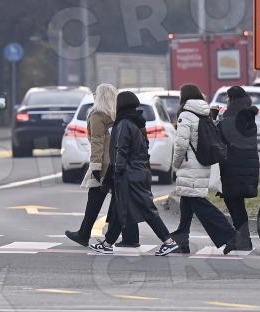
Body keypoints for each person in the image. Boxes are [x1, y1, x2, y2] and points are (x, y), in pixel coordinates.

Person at [89, 91, 179, 256]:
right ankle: (107, 243)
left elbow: (121, 150)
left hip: (129, 174)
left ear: (121, 104)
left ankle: (169, 241)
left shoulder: (124, 123)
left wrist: (117, 172)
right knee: (120, 208)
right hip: (139, 171)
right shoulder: (138, 122)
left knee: (146, 210)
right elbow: (145, 147)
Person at [65, 84, 138, 247]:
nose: (93, 95)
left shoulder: (98, 114)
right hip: (119, 162)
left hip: (104, 164)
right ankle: (131, 237)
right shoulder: (117, 115)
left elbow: (97, 141)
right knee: (121, 199)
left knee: (95, 198)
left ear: (100, 97)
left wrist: (95, 166)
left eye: (95, 93)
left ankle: (84, 234)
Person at [169, 84, 237, 254]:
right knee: (187, 202)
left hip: (190, 166)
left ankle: (231, 235)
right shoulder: (204, 113)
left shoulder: (185, 115)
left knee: (199, 204)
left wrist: (175, 164)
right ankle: (182, 240)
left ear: (185, 96)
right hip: (202, 163)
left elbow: (181, 144)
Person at [218, 86, 260, 251]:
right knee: (236, 203)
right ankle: (243, 239)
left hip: (234, 166)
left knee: (234, 203)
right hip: (248, 165)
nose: (226, 101)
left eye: (228, 98)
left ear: (232, 100)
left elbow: (217, 137)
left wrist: (214, 119)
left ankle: (243, 240)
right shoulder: (248, 117)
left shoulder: (230, 120)